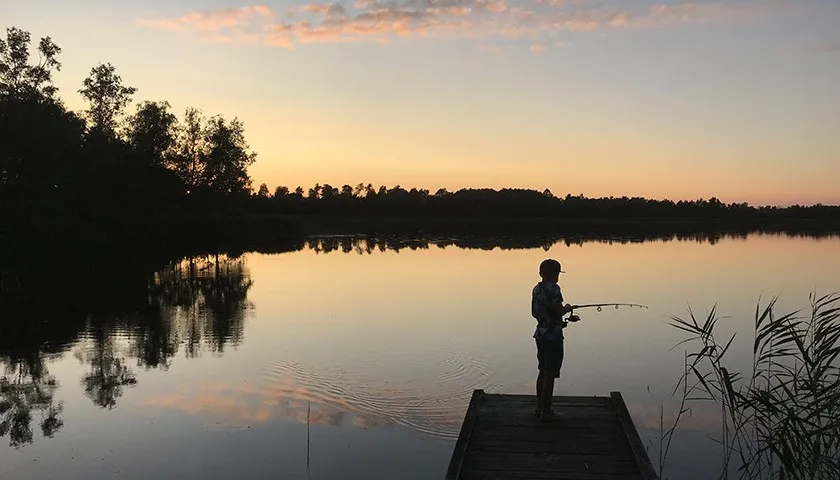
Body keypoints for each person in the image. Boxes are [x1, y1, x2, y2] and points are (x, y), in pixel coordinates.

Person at [531, 258, 576, 421]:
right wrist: (567, 308)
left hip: (540, 334)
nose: (558, 276)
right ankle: (547, 411)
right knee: (550, 373)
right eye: (557, 273)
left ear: (541, 273)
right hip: (553, 337)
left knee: (542, 371)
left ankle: (539, 408)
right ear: (555, 274)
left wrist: (552, 319)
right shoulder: (555, 289)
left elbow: (534, 313)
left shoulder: (536, 289)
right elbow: (558, 310)